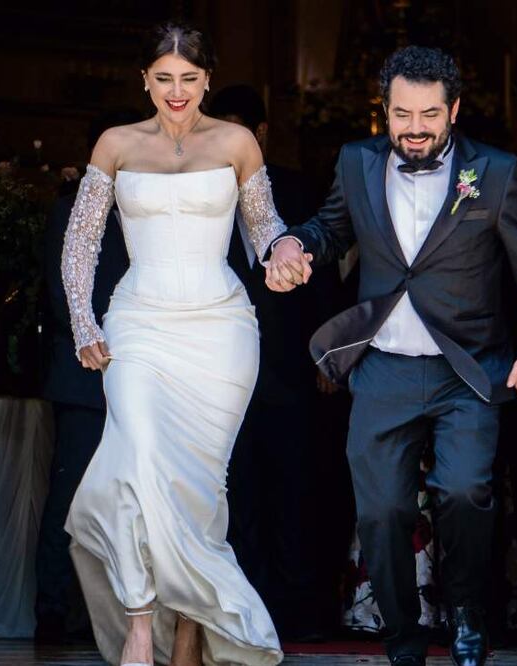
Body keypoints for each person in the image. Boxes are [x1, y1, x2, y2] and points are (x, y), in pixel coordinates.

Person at [266, 46, 517, 666]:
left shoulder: (497, 173)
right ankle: (403, 635)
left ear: (454, 109)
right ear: (386, 110)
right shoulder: (356, 163)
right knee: (382, 510)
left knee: (464, 494)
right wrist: (293, 244)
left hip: (469, 370)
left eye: (429, 115)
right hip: (384, 368)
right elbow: (330, 229)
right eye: (402, 114)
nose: (415, 129)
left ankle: (467, 612)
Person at [60, 23, 285, 666]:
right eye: (164, 79)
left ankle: (188, 634)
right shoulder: (116, 145)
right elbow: (81, 241)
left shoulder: (238, 141)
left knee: (198, 488)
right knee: (137, 465)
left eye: (189, 79)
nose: (177, 92)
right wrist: (84, 322)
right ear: (145, 81)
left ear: (207, 79)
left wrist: (282, 251)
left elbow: (264, 225)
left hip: (221, 331)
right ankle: (138, 621)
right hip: (139, 324)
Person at [207, 84, 334, 640]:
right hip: (218, 374)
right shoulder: (200, 190)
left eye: (240, 129)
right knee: (236, 497)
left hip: (288, 367)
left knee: (294, 491)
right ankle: (244, 612)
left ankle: (298, 614)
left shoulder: (299, 189)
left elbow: (324, 282)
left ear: (259, 134)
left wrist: (328, 356)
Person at [35, 111, 138, 643]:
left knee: (130, 500)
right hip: (83, 379)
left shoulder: (148, 210)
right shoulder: (69, 208)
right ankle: (54, 613)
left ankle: (118, 616)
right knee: (70, 495)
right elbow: (61, 294)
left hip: (142, 378)